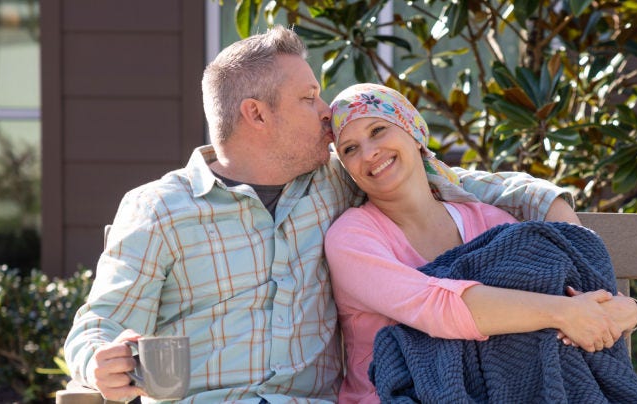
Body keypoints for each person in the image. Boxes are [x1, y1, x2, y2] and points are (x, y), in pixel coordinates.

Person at [63, 26, 582, 403]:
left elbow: (442, 177)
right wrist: (99, 364)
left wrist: (546, 201)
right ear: (257, 114)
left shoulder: (338, 179)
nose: (327, 113)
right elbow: (98, 326)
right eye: (310, 98)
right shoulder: (159, 209)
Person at [324, 83, 637, 403]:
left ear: (414, 130)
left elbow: (559, 286)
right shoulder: (352, 238)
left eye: (378, 130)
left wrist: (629, 310)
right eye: (350, 149)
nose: (369, 153)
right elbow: (434, 306)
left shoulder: (488, 221)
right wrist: (565, 314)